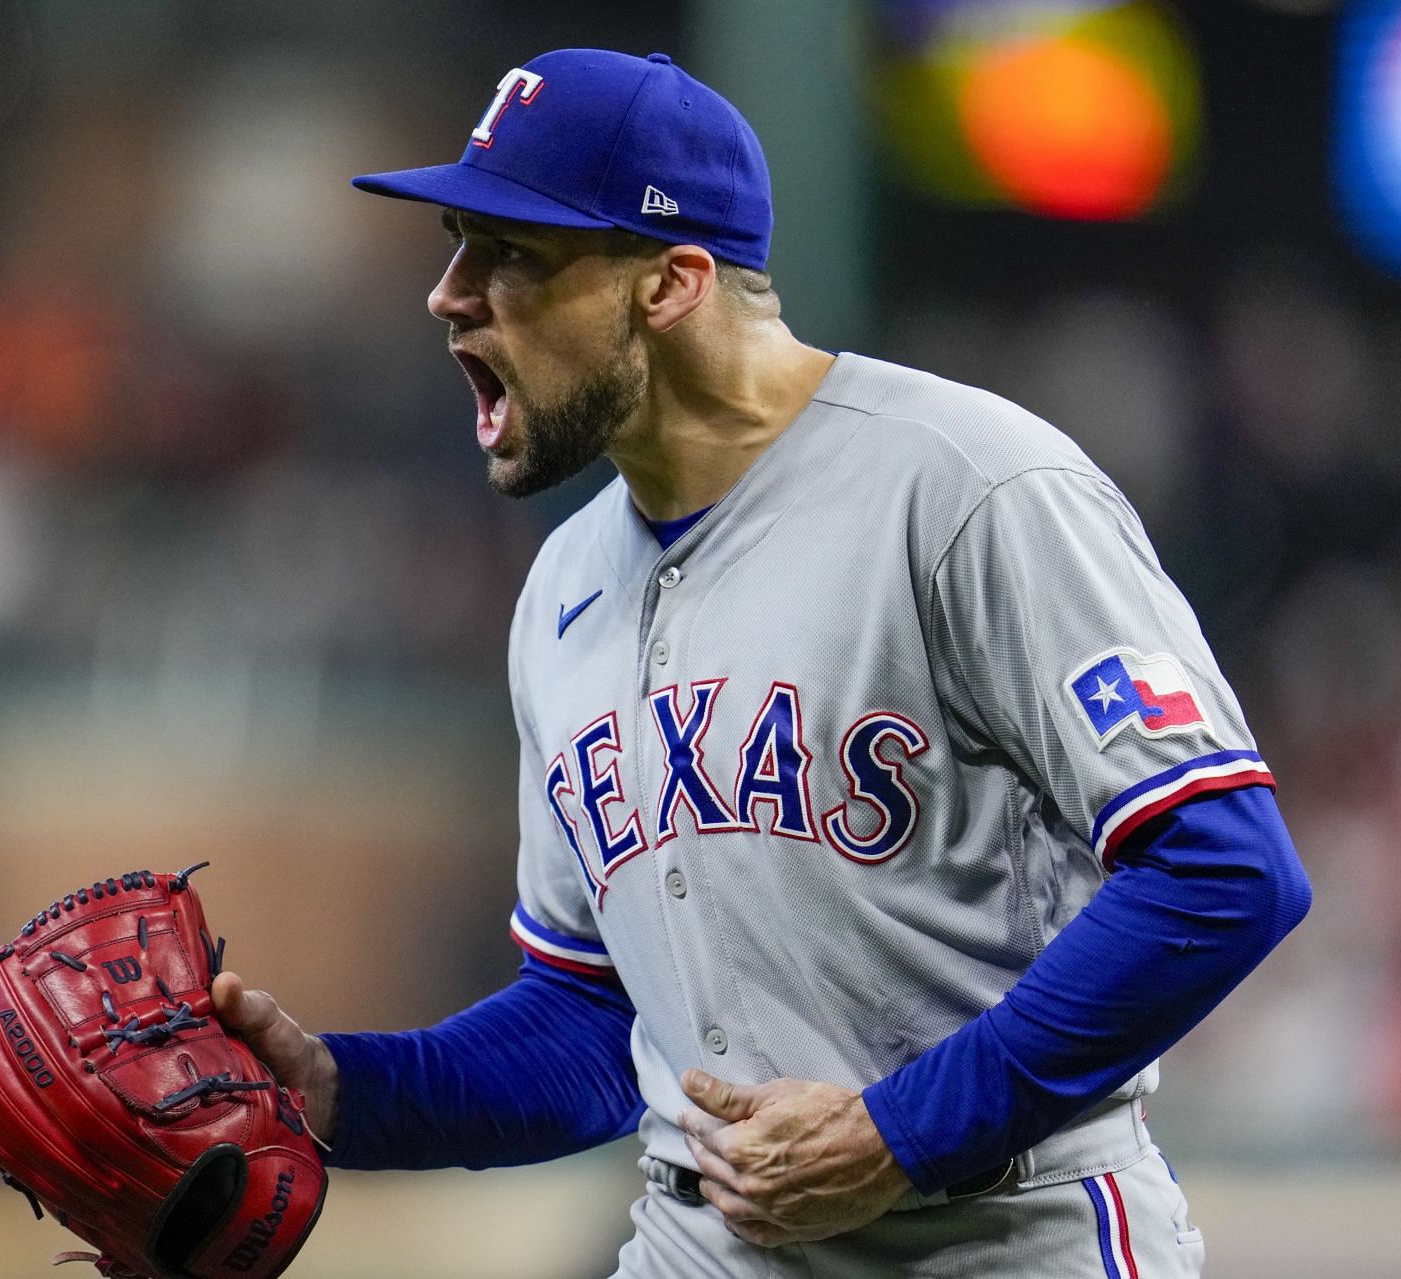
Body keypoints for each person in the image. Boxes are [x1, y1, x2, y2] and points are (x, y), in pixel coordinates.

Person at [211, 48, 1311, 1277]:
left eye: (510, 252)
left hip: (1005, 1238)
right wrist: (343, 1089)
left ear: (672, 284)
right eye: (459, 246)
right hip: (703, 1244)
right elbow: (592, 1024)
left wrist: (903, 1133)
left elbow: (1224, 869)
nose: (448, 295)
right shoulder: (566, 585)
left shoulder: (968, 487)